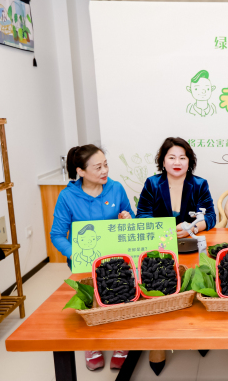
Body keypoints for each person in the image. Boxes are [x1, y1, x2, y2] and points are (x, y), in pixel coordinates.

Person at [136, 137, 216, 375]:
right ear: (163, 161)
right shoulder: (152, 183)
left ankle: (198, 334)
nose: (177, 162)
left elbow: (211, 216)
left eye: (182, 157)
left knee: (200, 281)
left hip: (192, 246)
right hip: (161, 249)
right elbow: (142, 215)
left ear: (189, 161)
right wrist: (166, 230)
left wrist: (195, 227)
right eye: (172, 157)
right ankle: (157, 342)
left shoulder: (199, 184)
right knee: (158, 285)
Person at [50, 144, 134, 371]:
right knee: (91, 302)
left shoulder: (116, 188)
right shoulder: (67, 196)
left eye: (105, 165)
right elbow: (57, 235)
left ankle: (121, 342)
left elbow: (131, 220)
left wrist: (127, 219)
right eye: (98, 167)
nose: (104, 170)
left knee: (119, 297)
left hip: (116, 259)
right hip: (84, 261)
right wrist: (76, 255)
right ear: (80, 171)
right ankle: (92, 344)